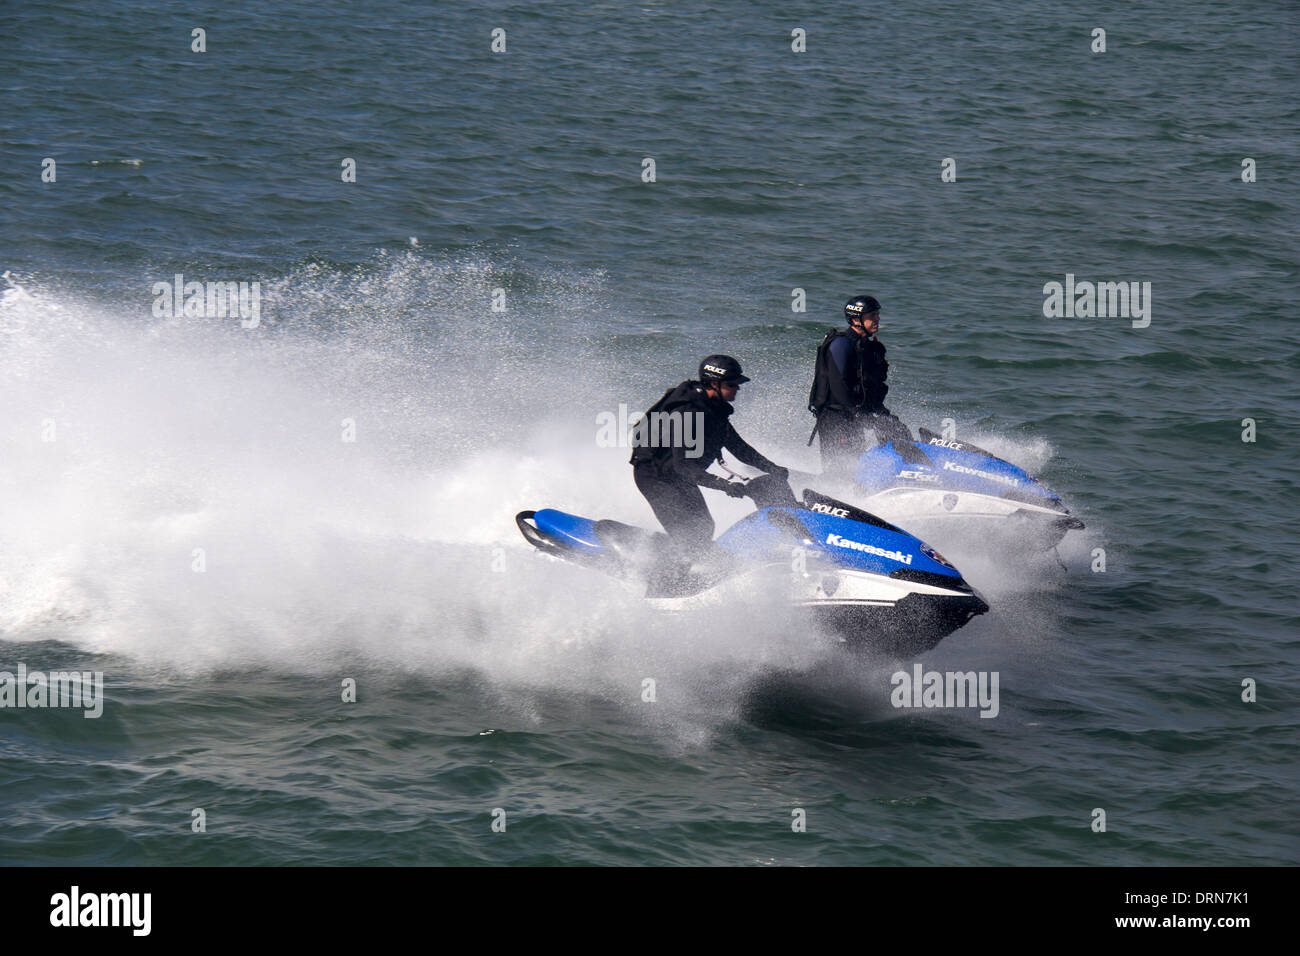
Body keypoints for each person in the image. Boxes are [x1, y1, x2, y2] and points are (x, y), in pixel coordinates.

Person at [630, 354, 790, 558]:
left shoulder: (715, 410)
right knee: (688, 534)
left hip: (678, 476)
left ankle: (692, 562)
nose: (737, 388)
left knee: (704, 526)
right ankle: (667, 577)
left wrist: (772, 468)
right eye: (732, 384)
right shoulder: (686, 413)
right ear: (714, 384)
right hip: (655, 476)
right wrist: (725, 485)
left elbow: (739, 448)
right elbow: (683, 466)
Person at [807, 294, 912, 476]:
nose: (877, 319)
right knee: (841, 470)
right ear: (855, 319)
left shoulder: (869, 348)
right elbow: (838, 384)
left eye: (877, 315)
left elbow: (871, 389)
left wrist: (882, 416)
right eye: (872, 316)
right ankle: (832, 492)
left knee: (896, 431)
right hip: (835, 418)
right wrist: (860, 414)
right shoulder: (841, 344)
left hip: (855, 416)